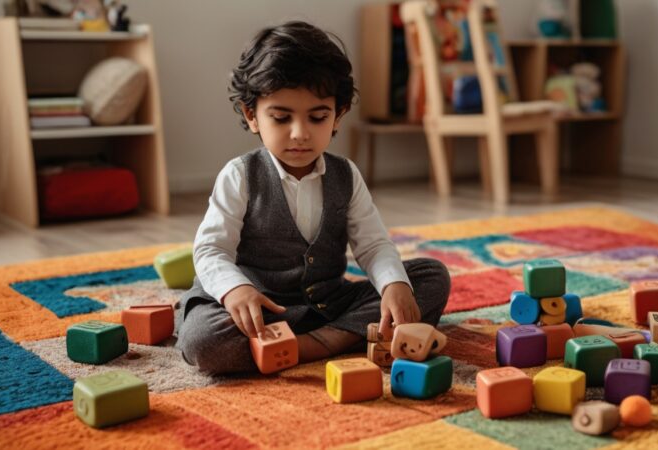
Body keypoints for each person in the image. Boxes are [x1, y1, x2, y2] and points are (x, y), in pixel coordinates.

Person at [175, 21, 451, 374]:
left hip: (324, 306)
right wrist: (234, 291)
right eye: (281, 117)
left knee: (429, 277)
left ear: (338, 115)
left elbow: (373, 246)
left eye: (318, 117)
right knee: (203, 339)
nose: (300, 133)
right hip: (255, 310)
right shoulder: (241, 175)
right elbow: (211, 250)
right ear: (252, 115)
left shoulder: (346, 175)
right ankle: (332, 340)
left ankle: (314, 343)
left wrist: (394, 285)